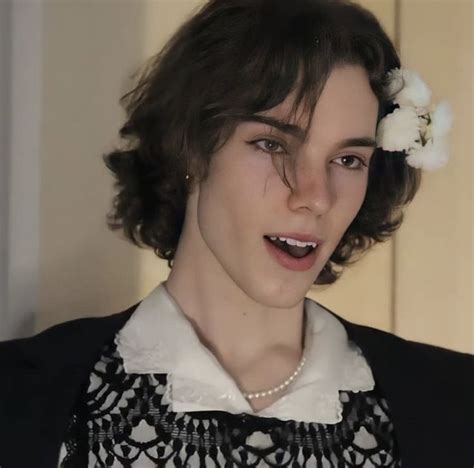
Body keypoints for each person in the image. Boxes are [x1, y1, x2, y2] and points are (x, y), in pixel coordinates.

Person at [0, 1, 472, 467]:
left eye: (348, 160)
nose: (316, 196)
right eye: (272, 144)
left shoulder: (457, 407)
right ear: (191, 148)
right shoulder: (19, 399)